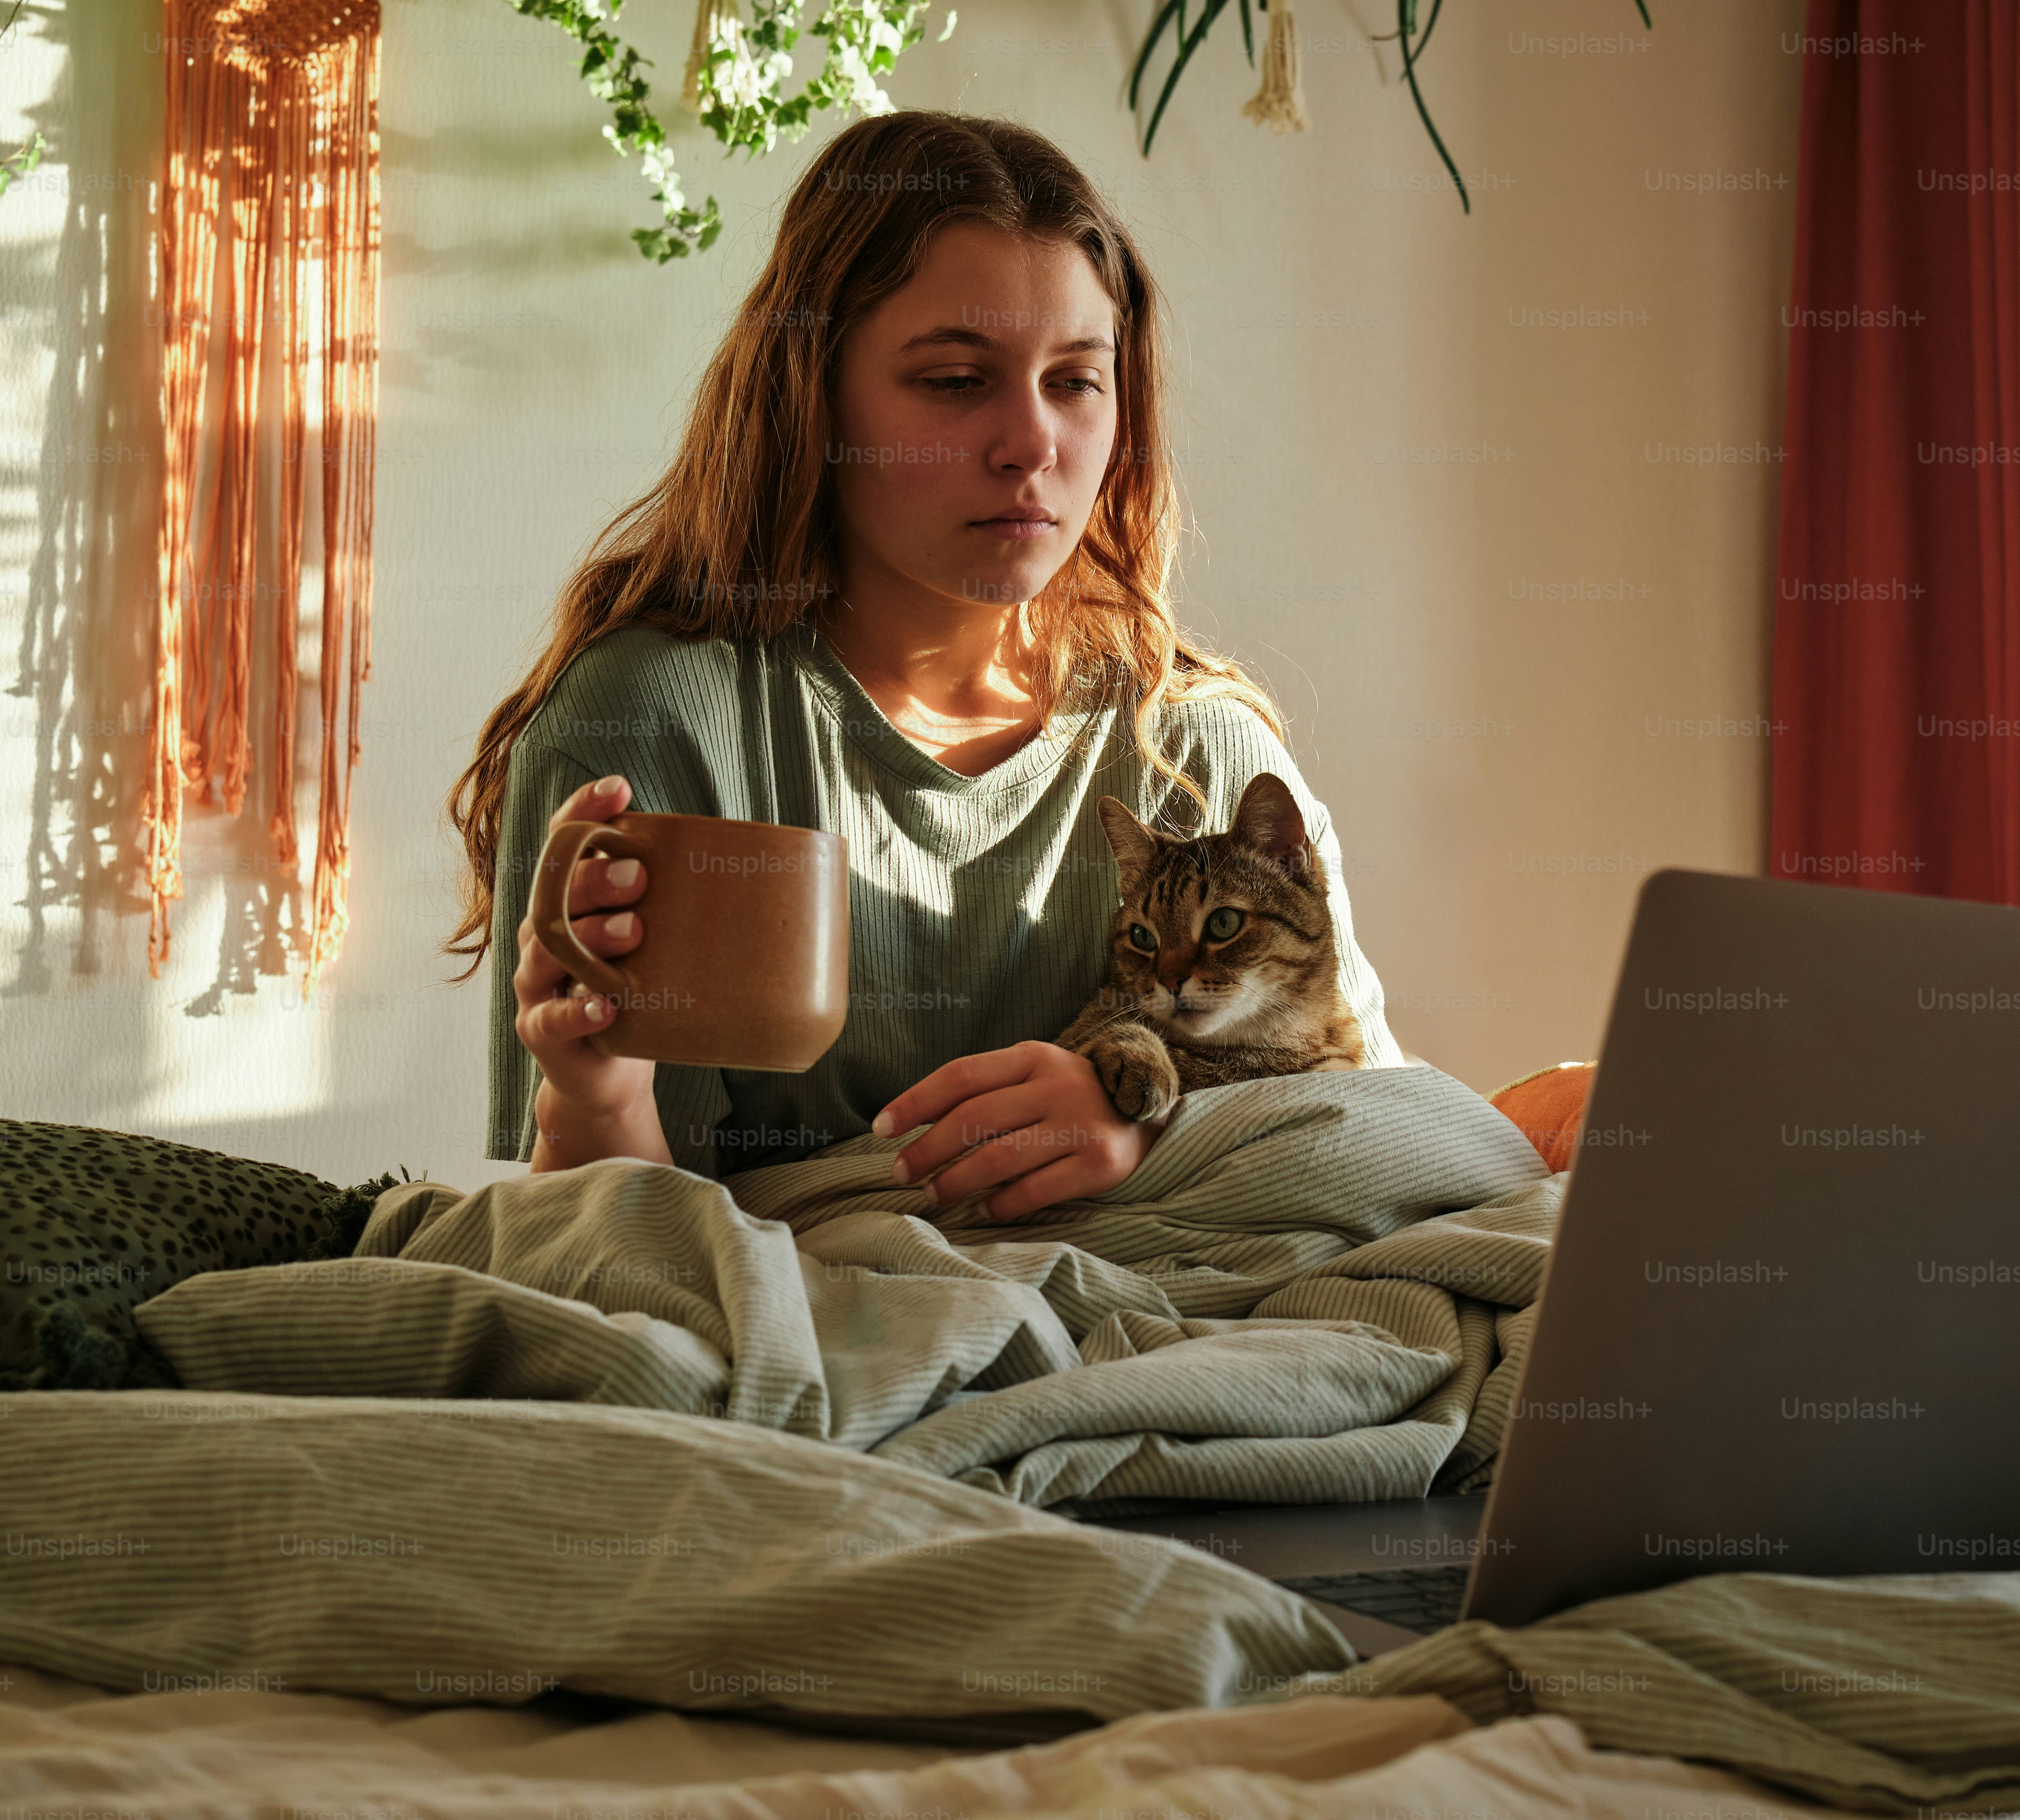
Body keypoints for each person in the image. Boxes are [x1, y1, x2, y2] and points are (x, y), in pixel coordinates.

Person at [443, 111, 1401, 1223]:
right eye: (956, 380)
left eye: (1077, 381)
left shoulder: (1198, 748)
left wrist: (1151, 1121)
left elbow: (1372, 1127)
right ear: (814, 390)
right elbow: (614, 1253)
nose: (1032, 443)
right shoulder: (653, 726)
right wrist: (595, 1096)